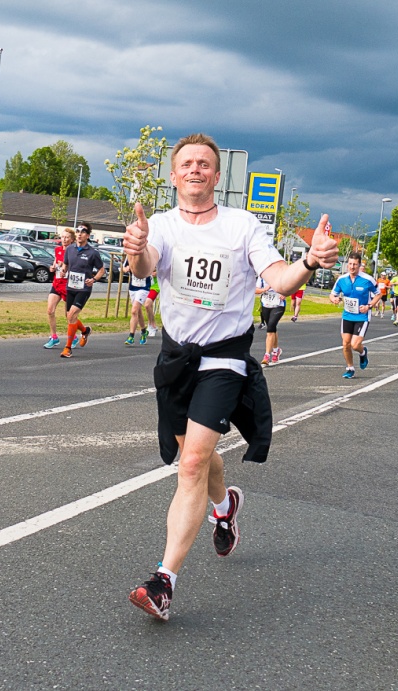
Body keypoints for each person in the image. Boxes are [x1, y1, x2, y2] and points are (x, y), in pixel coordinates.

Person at [122, 133, 338, 621]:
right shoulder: (158, 224)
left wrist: (309, 260)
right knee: (195, 456)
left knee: (193, 463)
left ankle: (163, 582)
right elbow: (145, 266)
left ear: (217, 177)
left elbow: (279, 278)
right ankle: (225, 507)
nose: (195, 169)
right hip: (176, 357)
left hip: (224, 357)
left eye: (204, 164)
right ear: (174, 176)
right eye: (187, 164)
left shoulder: (243, 225)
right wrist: (135, 249)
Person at [330, 253, 380, 379]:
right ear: (347, 265)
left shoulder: (367, 280)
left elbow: (378, 294)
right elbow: (332, 294)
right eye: (350, 264)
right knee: (346, 344)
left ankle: (363, 353)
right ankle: (350, 368)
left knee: (355, 345)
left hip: (362, 316)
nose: (352, 267)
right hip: (347, 315)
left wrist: (369, 306)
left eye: (355, 265)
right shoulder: (342, 279)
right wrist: (334, 299)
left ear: (359, 265)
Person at [59, 223, 105, 358]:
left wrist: (94, 279)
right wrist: (63, 271)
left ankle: (67, 348)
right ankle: (85, 331)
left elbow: (102, 270)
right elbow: (66, 264)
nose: (79, 234)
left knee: (72, 314)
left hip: (84, 288)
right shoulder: (70, 249)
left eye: (83, 232)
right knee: (69, 317)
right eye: (78, 231)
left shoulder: (93, 253)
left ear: (88, 236)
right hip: (70, 287)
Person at [43, 228, 75, 348]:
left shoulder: (74, 252)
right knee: (50, 310)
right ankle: (54, 337)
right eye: (62, 237)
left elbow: (77, 267)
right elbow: (55, 263)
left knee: (69, 315)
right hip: (57, 283)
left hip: (68, 285)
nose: (64, 239)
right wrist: (53, 267)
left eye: (67, 237)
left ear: (72, 240)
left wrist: (65, 265)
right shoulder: (58, 250)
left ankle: (75, 336)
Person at [256, 276, 286, 365]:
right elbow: (255, 290)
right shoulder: (262, 276)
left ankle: (267, 355)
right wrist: (264, 289)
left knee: (271, 328)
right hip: (266, 305)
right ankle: (276, 350)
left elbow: (291, 287)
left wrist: (285, 294)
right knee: (272, 328)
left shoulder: (281, 275)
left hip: (278, 305)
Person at [124, 259, 152, 345]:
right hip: (133, 287)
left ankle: (131, 336)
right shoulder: (129, 256)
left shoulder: (147, 255)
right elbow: (123, 268)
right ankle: (144, 331)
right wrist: (127, 269)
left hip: (144, 287)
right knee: (138, 312)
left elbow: (153, 269)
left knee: (134, 310)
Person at [144, 272, 160, 337]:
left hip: (156, 284)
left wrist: (157, 273)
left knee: (147, 304)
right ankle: (151, 325)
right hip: (146, 284)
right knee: (148, 305)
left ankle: (152, 325)